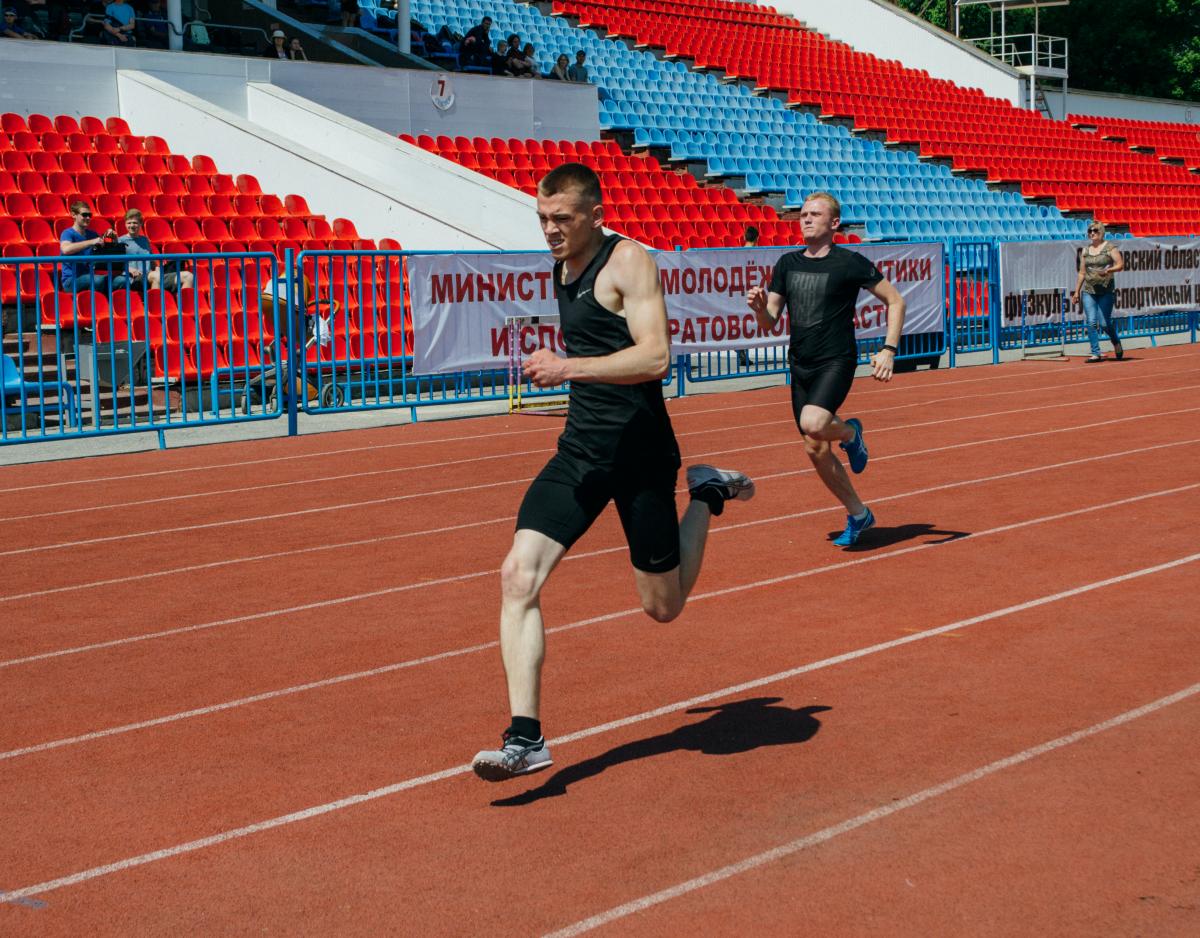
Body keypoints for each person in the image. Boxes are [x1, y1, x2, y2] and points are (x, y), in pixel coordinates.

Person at [471, 163, 755, 782]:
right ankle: (526, 738)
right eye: (542, 218)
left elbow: (656, 356)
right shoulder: (562, 263)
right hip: (580, 451)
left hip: (641, 454)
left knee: (663, 607)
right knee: (518, 575)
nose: (549, 230)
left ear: (596, 216)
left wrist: (568, 369)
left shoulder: (629, 263)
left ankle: (705, 495)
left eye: (562, 219)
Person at [746, 192, 905, 548]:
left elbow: (895, 300)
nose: (806, 219)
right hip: (800, 362)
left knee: (815, 424)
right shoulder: (786, 264)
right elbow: (769, 322)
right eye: (803, 214)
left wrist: (889, 349)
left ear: (834, 224)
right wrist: (759, 308)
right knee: (814, 448)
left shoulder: (850, 262)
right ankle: (860, 513)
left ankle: (849, 434)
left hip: (836, 359)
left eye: (815, 214)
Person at [1070, 220, 1124, 363]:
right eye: (1090, 231)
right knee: (1091, 322)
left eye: (1095, 231)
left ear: (1101, 233)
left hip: (1106, 291)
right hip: (1089, 291)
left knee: (1105, 323)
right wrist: (1076, 292)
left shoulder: (1110, 248)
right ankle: (1095, 352)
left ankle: (1116, 342)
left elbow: (1120, 265)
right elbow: (1082, 273)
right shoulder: (1086, 251)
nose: (1092, 233)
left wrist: (1108, 270)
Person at [118, 208, 194, 292]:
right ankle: (156, 304)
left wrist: (157, 267)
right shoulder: (120, 241)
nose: (132, 226)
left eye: (135, 223)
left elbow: (151, 259)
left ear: (140, 224)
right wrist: (129, 269)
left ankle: (184, 304)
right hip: (134, 279)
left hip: (151, 275)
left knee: (188, 276)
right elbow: (117, 263)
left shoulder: (144, 240)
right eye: (129, 223)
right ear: (125, 224)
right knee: (156, 276)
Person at [59, 202, 127, 292]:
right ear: (73, 215)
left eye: (89, 215)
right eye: (84, 215)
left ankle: (106, 304)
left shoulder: (92, 234)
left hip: (91, 277)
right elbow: (66, 249)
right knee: (98, 280)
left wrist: (112, 239)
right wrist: (91, 242)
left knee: (122, 280)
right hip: (71, 281)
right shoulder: (68, 233)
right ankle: (95, 304)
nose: (88, 218)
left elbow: (104, 250)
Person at [736, 226, 760, 368]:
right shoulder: (759, 253)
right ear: (757, 238)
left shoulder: (737, 253)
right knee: (747, 323)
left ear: (745, 237)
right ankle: (742, 353)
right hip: (752, 291)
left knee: (741, 323)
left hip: (740, 292)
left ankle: (742, 352)